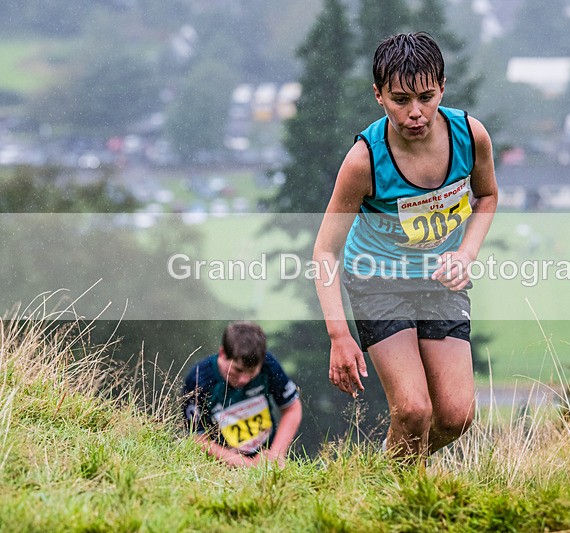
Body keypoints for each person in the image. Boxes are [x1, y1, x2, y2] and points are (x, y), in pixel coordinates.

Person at [313, 32, 498, 459]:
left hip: (439, 283)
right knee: (413, 409)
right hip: (379, 281)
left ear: (442, 88)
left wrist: (465, 254)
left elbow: (486, 196)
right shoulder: (363, 161)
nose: (415, 113)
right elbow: (325, 250)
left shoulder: (471, 137)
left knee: (455, 416)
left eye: (425, 97)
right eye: (399, 100)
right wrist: (339, 334)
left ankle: (385, 470)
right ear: (378, 95)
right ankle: (395, 497)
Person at [182, 322, 302, 467]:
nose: (244, 379)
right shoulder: (198, 379)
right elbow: (196, 438)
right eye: (238, 370)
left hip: (267, 461)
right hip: (220, 466)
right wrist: (244, 463)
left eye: (252, 372)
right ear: (222, 353)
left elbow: (292, 409)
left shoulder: (268, 364)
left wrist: (275, 455)